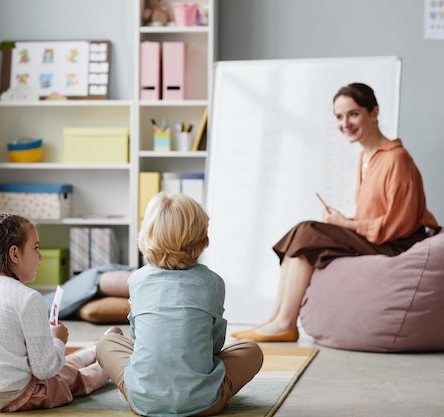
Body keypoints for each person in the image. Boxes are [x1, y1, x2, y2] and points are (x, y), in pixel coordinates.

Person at [233, 82, 440, 343]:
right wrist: (345, 222)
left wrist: (345, 224)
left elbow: (399, 223)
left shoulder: (396, 158)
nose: (345, 123)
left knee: (308, 231)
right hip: (377, 238)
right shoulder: (365, 157)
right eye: (339, 117)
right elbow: (375, 215)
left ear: (374, 113)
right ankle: (275, 319)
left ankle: (285, 322)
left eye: (353, 114)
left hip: (396, 245)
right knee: (304, 235)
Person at [96, 192, 264, 417]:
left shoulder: (136, 280)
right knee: (251, 350)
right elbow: (215, 345)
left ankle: (142, 381)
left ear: (147, 235)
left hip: (142, 401)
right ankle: (201, 391)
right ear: (202, 238)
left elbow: (138, 342)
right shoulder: (213, 282)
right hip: (206, 403)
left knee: (105, 344)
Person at [0, 212, 114, 413]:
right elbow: (45, 369)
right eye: (35, 248)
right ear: (14, 254)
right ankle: (107, 359)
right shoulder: (27, 297)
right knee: (67, 378)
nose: (40, 256)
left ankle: (93, 351)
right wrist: (59, 340)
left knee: (57, 365)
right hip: (9, 397)